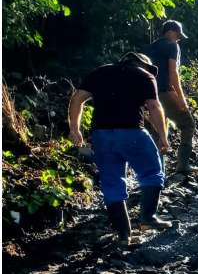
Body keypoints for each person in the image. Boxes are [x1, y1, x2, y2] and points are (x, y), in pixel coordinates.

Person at [68, 53, 172, 246]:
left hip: (102, 136)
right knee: (152, 173)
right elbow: (154, 106)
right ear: (142, 65)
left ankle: (124, 235)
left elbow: (77, 99)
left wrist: (75, 129)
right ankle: (148, 218)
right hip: (132, 133)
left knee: (112, 183)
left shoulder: (99, 72)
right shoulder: (144, 76)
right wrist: (163, 137)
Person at [144, 19, 196, 175]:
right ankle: (183, 165)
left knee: (158, 130)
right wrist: (181, 98)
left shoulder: (149, 47)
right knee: (188, 124)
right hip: (165, 93)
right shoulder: (172, 45)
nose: (179, 38)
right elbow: (173, 73)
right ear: (171, 32)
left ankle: (157, 169)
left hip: (148, 94)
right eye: (178, 34)